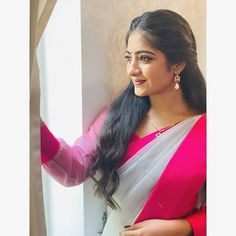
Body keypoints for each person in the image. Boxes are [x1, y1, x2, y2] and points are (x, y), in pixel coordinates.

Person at [40, 9, 206, 236]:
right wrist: (32, 126)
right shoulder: (117, 116)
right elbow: (73, 170)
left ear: (178, 64)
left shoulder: (209, 131)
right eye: (129, 57)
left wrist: (182, 227)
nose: (131, 69)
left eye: (145, 58)